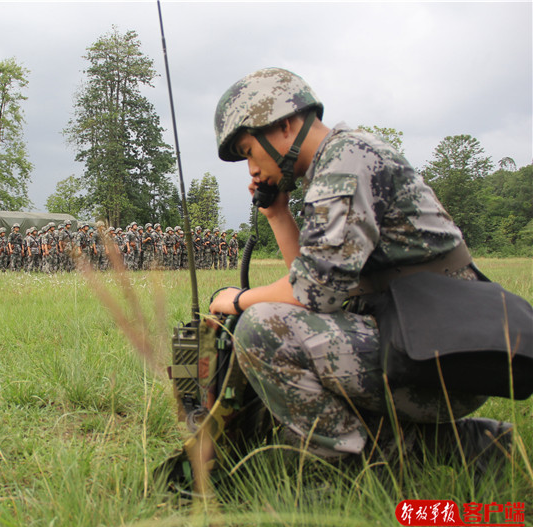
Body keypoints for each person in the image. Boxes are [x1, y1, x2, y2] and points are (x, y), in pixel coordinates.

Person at [208, 67, 510, 465]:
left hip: (443, 356)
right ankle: (472, 447)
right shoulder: (333, 164)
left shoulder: (345, 162)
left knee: (262, 327)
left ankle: (342, 467)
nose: (252, 170)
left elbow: (313, 293)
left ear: (282, 125)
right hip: (429, 344)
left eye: (249, 152)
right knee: (273, 323)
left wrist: (239, 298)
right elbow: (316, 280)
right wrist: (279, 214)